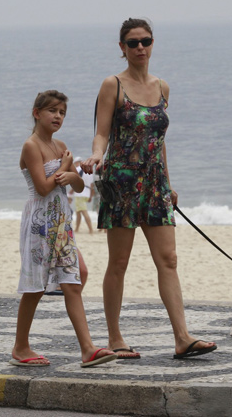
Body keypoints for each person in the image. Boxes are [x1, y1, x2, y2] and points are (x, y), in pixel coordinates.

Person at [81, 18, 217, 360]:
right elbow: (102, 132)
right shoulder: (113, 84)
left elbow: (159, 141)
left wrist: (168, 184)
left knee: (168, 259)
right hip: (122, 181)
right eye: (132, 42)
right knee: (119, 262)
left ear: (153, 43)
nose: (140, 47)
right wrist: (97, 155)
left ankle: (182, 338)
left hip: (154, 184)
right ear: (122, 48)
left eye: (145, 41)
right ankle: (114, 337)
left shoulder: (163, 87)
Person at [13, 90, 116, 368]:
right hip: (39, 223)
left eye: (62, 113)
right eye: (52, 111)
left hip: (61, 222)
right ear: (37, 113)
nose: (58, 116)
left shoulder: (60, 145)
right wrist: (67, 165)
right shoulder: (31, 146)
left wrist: (72, 174)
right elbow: (45, 187)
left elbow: (79, 186)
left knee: (74, 279)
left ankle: (88, 349)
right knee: (35, 287)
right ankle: (20, 347)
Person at [68, 156, 94, 234]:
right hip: (87, 192)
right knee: (78, 211)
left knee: (83, 211)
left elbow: (76, 181)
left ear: (76, 163)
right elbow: (92, 185)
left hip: (80, 193)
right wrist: (90, 196)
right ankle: (77, 228)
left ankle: (91, 229)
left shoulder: (78, 169)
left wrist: (71, 191)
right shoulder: (89, 170)